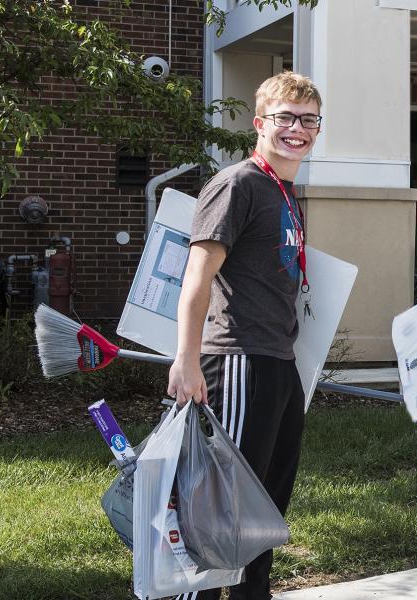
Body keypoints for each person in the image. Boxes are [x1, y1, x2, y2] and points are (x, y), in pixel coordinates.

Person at [166, 71, 324, 600]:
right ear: (260, 124)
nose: (296, 129)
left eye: (308, 120)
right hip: (235, 360)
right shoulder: (237, 184)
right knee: (220, 508)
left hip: (277, 362)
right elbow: (197, 279)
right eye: (285, 118)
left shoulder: (283, 190)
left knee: (264, 509)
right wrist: (186, 361)